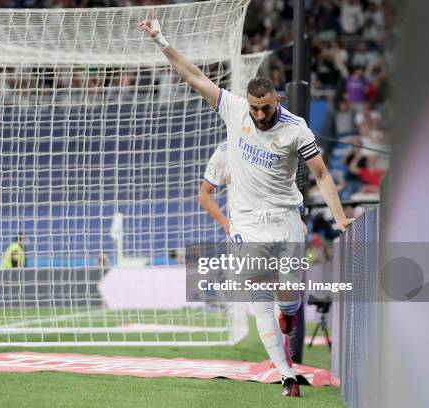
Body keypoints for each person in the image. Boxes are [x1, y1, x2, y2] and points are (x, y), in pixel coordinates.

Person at [141, 11, 353, 398]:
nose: (258, 115)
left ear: (278, 100)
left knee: (289, 296)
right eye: (254, 109)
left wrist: (339, 217)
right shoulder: (234, 109)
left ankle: (289, 316)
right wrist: (160, 40)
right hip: (247, 223)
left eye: (265, 108)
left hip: (287, 218)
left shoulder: (296, 128)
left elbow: (321, 175)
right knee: (258, 287)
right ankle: (287, 375)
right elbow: (194, 76)